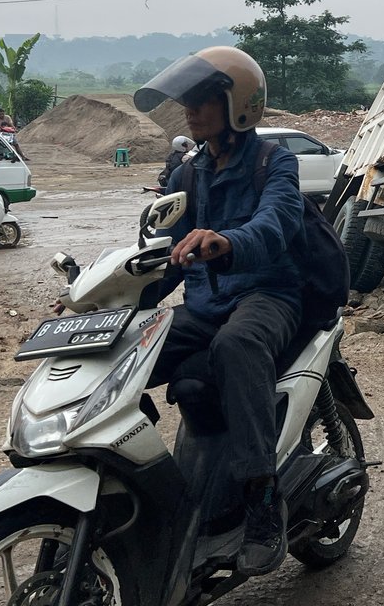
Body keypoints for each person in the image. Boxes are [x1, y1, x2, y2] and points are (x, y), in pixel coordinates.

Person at [133, 46, 303, 577]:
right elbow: (164, 253)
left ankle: (261, 499)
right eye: (187, 100)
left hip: (268, 294)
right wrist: (116, 296)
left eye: (203, 98)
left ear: (239, 104)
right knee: (128, 348)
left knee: (237, 345)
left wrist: (226, 241)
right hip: (206, 301)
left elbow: (277, 224)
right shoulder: (189, 173)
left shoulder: (275, 161)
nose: (190, 110)